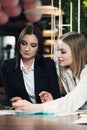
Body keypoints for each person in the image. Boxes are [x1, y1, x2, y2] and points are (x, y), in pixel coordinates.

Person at [11, 32, 87, 114]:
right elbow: (74, 102)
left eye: (63, 52)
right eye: (58, 50)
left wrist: (35, 108)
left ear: (77, 53)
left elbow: (72, 101)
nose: (58, 55)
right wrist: (52, 102)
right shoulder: (66, 72)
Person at [1, 24, 60, 105]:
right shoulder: (8, 66)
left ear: (38, 47)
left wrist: (51, 98)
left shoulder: (48, 65)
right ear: (19, 44)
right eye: (24, 43)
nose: (27, 49)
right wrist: (13, 100)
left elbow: (57, 96)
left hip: (44, 111)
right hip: (21, 113)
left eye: (33, 45)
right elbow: (9, 96)